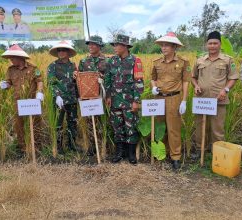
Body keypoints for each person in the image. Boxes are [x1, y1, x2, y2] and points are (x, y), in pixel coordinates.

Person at [191, 31, 239, 157]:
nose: (212, 46)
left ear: (220, 44)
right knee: (200, 126)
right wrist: (195, 86)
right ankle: (200, 150)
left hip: (219, 100)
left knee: (217, 128)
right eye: (210, 43)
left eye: (215, 43)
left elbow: (233, 78)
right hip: (202, 99)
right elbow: (193, 77)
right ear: (207, 44)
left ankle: (217, 153)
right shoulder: (200, 60)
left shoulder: (228, 60)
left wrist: (225, 90)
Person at [151, 32, 191, 170]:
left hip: (174, 98)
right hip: (159, 98)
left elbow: (186, 82)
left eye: (167, 45)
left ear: (174, 47)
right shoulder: (156, 62)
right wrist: (154, 87)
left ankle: (175, 157)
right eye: (162, 45)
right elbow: (153, 78)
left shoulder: (183, 62)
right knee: (160, 127)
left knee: (174, 129)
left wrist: (184, 101)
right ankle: (161, 154)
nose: (164, 48)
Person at [105, 34, 144, 165]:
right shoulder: (112, 61)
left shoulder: (135, 61)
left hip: (129, 101)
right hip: (115, 101)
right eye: (114, 45)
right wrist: (108, 96)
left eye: (117, 45)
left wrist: (136, 101)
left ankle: (131, 154)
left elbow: (138, 82)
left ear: (125, 46)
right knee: (117, 127)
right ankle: (119, 153)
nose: (115, 47)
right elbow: (108, 79)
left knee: (131, 126)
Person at [0, 44, 44, 157]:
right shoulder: (10, 70)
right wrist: (5, 85)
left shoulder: (33, 68)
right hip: (18, 101)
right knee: (18, 124)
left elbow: (39, 81)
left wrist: (39, 92)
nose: (11, 60)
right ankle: (22, 148)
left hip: (32, 100)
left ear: (20, 57)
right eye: (10, 58)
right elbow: (9, 83)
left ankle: (36, 146)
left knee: (35, 123)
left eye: (13, 58)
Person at [74, 35, 108, 156]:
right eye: (89, 44)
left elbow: (110, 78)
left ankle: (103, 146)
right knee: (89, 122)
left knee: (102, 122)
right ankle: (91, 147)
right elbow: (80, 77)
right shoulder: (83, 61)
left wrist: (102, 78)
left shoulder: (107, 61)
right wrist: (76, 76)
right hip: (88, 97)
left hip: (101, 97)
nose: (91, 46)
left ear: (99, 46)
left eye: (93, 44)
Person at [47, 41, 79, 154]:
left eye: (63, 50)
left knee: (73, 122)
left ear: (68, 52)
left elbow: (77, 82)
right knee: (58, 124)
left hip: (72, 99)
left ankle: (72, 144)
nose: (61, 52)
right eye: (59, 50)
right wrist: (57, 96)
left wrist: (77, 78)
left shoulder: (74, 66)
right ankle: (59, 146)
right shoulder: (53, 66)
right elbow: (51, 82)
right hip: (59, 100)